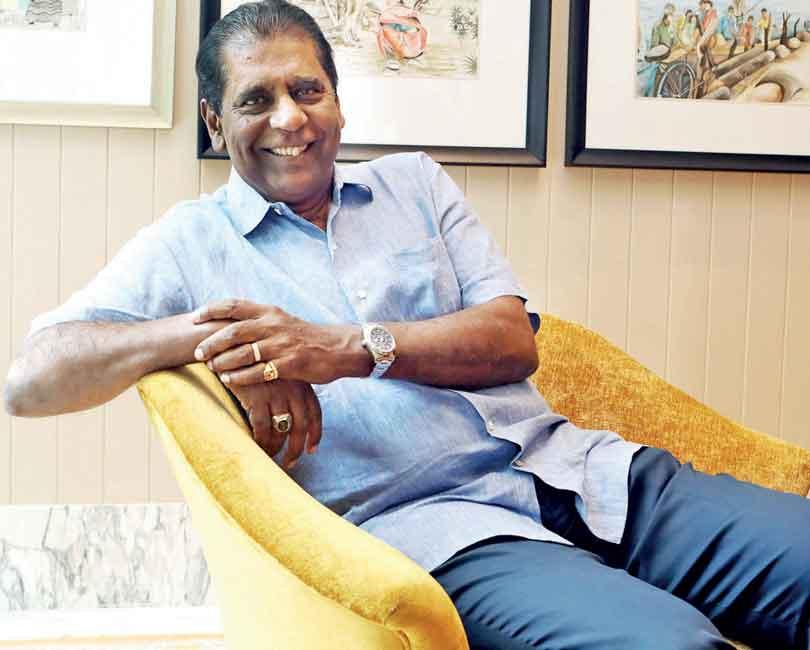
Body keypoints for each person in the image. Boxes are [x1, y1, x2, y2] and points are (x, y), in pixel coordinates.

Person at [4, 1, 809, 648]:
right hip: (448, 532)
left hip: (588, 475)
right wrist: (219, 337)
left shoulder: (415, 185)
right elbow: (31, 380)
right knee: (668, 643)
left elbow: (512, 341)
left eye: (307, 90)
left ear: (337, 101)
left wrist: (342, 349)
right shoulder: (190, 243)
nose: (289, 118)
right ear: (216, 123)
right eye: (256, 100)